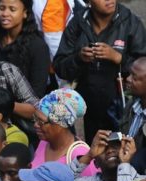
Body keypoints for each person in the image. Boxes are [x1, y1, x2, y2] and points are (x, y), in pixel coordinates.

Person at [53, 0, 146, 143]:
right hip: (89, 109)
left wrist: (118, 58)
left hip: (123, 108)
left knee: (122, 151)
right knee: (95, 155)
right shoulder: (78, 22)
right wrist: (79, 58)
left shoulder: (130, 23)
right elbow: (59, 67)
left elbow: (143, 68)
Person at [0, 0, 51, 97]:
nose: (5, 14)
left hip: (23, 107)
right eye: (2, 8)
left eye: (12, 9)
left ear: (25, 13)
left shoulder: (38, 47)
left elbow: (37, 93)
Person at [71, 129, 140, 181]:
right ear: (95, 163)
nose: (110, 150)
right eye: (103, 149)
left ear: (127, 152)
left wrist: (125, 163)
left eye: (115, 146)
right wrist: (89, 155)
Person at [31, 87, 98, 176]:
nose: (36, 125)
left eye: (41, 122)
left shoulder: (82, 156)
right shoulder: (44, 143)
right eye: (35, 119)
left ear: (60, 124)